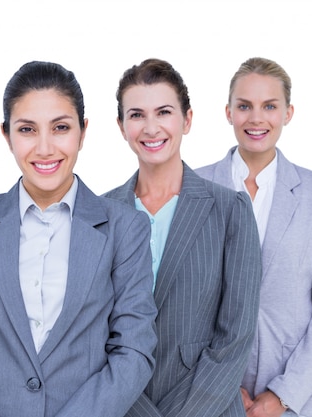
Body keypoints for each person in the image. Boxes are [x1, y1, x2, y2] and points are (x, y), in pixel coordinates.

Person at [0, 61, 158, 417]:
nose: (45, 148)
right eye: (28, 129)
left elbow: (134, 352)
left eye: (60, 127)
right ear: (7, 135)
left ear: (83, 131)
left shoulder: (125, 228)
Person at [103, 58, 263, 417]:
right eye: (136, 115)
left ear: (186, 119)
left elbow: (234, 339)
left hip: (209, 408)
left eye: (163, 112)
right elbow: (89, 338)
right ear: (121, 125)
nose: (151, 127)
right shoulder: (97, 215)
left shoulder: (230, 210)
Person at [195, 57, 312, 417]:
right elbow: (181, 301)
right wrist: (223, 385)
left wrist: (282, 396)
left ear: (288, 112)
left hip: (297, 395)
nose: (256, 118)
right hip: (207, 393)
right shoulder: (194, 188)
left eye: (269, 106)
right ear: (228, 112)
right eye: (244, 106)